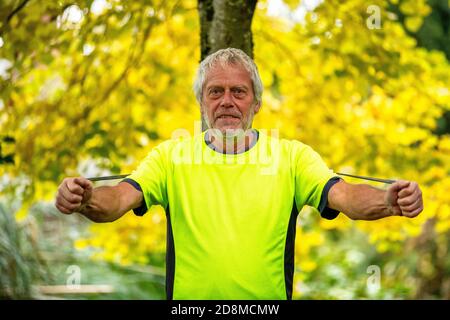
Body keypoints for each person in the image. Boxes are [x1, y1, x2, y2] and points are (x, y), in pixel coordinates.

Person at [55, 48, 423, 300]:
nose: (227, 101)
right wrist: (85, 199)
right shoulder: (170, 157)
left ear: (256, 103)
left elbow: (345, 197)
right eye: (215, 92)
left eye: (238, 92)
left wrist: (386, 200)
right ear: (202, 102)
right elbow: (117, 199)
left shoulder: (292, 157)